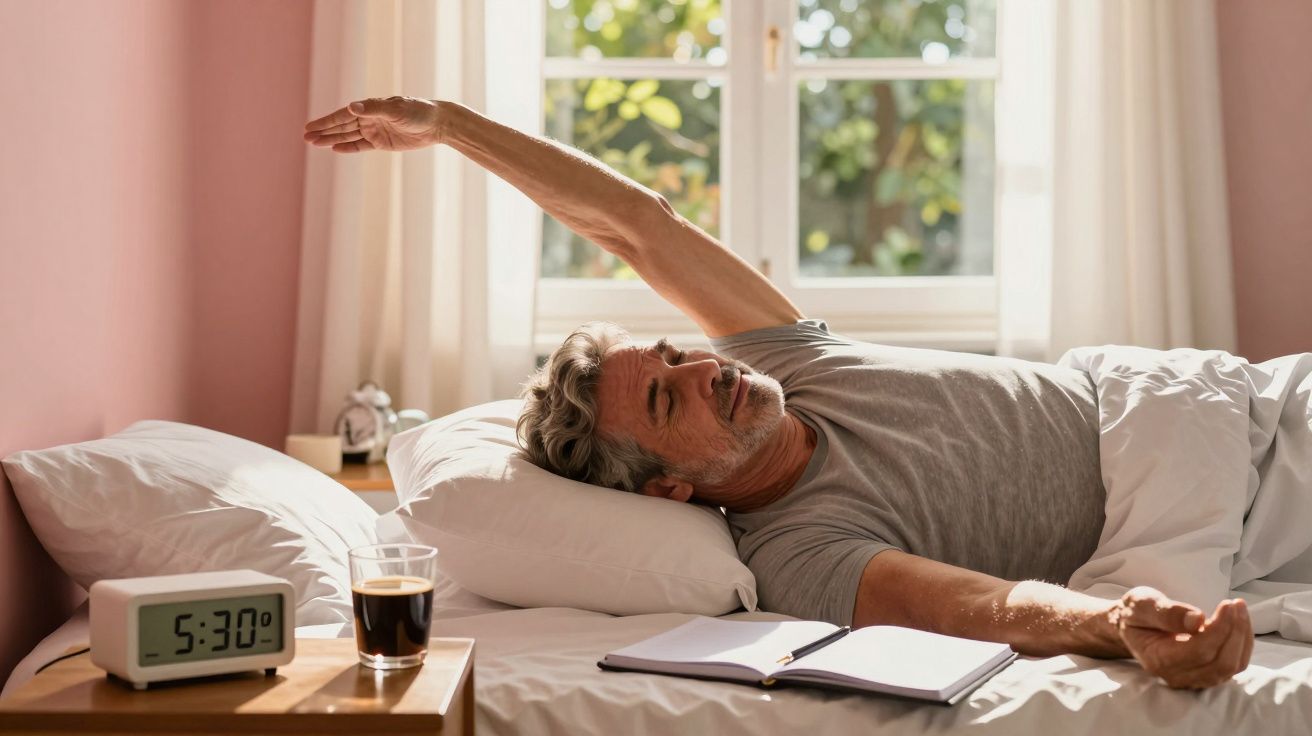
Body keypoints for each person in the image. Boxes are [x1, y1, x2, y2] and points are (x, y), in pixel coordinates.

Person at [305, 96, 1253, 689]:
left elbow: (636, 225)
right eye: (671, 402)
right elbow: (987, 610)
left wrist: (445, 123)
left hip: (1210, 401)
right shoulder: (797, 554)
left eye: (675, 356)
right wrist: (1118, 626)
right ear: (668, 491)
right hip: (1213, 501)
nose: (705, 370)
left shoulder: (786, 369)